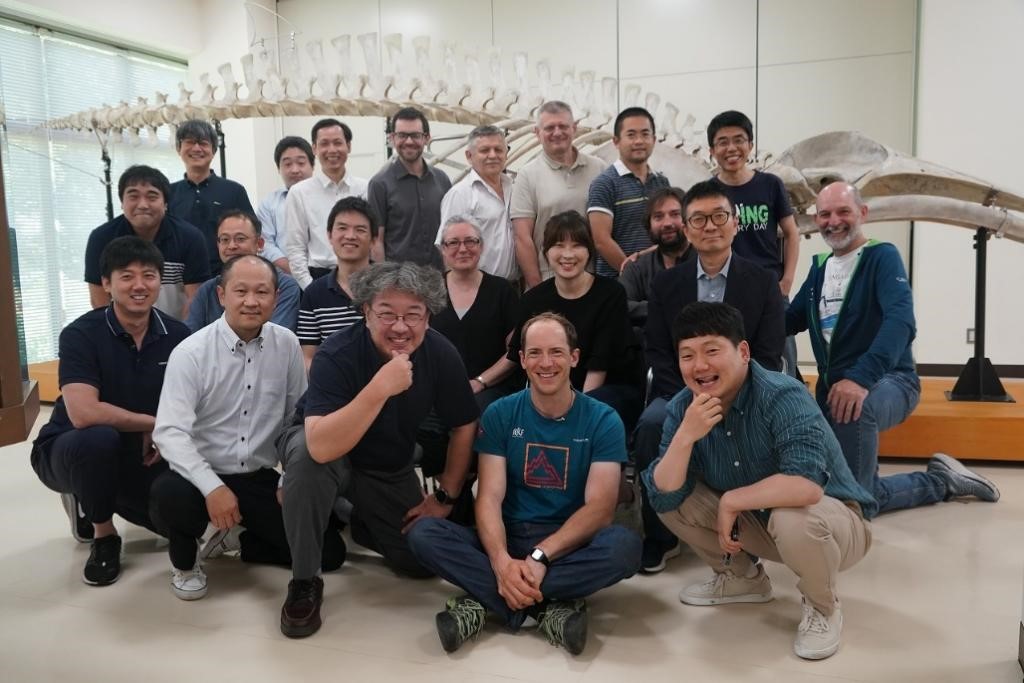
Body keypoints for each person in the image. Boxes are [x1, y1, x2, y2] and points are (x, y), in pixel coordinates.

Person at [643, 301, 875, 660]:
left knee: (792, 515)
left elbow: (806, 485)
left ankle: (823, 606)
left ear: (743, 352)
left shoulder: (783, 395)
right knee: (670, 491)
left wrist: (731, 501)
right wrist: (685, 437)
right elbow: (663, 494)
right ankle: (742, 580)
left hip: (833, 525)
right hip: (759, 526)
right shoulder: (683, 408)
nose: (699, 366)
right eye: (687, 355)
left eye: (712, 351)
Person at [407, 312, 641, 655]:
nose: (545, 363)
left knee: (624, 548)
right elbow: (489, 497)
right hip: (508, 534)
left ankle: (488, 601)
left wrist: (540, 557)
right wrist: (502, 562)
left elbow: (600, 510)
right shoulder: (500, 413)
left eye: (556, 352)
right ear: (522, 359)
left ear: (574, 357)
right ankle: (545, 608)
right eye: (535, 353)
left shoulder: (603, 419)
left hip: (568, 543)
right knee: (423, 534)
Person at [277, 262, 479, 638]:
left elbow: (464, 423)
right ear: (366, 312)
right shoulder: (337, 352)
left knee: (419, 561)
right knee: (306, 460)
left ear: (428, 318)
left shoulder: (440, 353)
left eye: (413, 315)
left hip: (385, 464)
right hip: (326, 453)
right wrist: (380, 387)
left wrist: (446, 497)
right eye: (387, 313)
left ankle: (350, 514)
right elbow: (319, 444)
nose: (400, 327)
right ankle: (304, 579)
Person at [787, 181, 999, 512]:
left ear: (862, 213)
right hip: (836, 390)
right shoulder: (819, 269)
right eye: (825, 214)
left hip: (890, 381)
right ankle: (883, 485)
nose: (833, 221)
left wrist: (860, 379)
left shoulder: (882, 257)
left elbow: (901, 322)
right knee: (844, 490)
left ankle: (940, 482)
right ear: (816, 220)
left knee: (856, 500)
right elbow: (788, 321)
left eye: (843, 211)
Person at [151, 255, 344, 600]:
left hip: (256, 476)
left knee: (329, 554)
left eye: (262, 292)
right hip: (200, 474)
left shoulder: (286, 344)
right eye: (241, 291)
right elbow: (169, 432)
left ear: (276, 298)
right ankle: (186, 563)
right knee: (170, 494)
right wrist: (213, 488)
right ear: (222, 295)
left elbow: (297, 418)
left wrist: (288, 479)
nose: (251, 301)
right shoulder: (191, 352)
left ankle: (237, 538)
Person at [636, 180, 785, 573]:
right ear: (686, 230)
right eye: (699, 219)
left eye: (719, 216)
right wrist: (690, 399)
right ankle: (660, 537)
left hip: (748, 394)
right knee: (652, 423)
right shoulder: (667, 284)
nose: (710, 226)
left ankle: (754, 529)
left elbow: (768, 353)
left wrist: (732, 398)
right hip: (682, 392)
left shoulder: (763, 282)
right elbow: (659, 351)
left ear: (735, 223)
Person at [31, 236, 189, 585]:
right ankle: (103, 534)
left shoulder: (178, 336)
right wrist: (154, 423)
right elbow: (84, 414)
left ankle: (93, 495)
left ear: (159, 282)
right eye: (126, 276)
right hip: (71, 446)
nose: (139, 285)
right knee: (98, 440)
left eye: (148, 275)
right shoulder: (81, 334)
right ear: (106, 283)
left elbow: (188, 405)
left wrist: (161, 432)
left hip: (140, 449)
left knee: (177, 519)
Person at [506, 211, 645, 433]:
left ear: (589, 251)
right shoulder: (533, 299)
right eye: (559, 245)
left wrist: (572, 412)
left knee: (585, 418)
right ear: (546, 251)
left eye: (577, 245)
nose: (568, 255)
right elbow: (520, 356)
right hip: (550, 387)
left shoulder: (611, 294)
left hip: (606, 388)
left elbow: (599, 365)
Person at [707, 110, 801, 376]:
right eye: (723, 142)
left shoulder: (771, 185)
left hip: (770, 287)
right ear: (712, 150)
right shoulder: (709, 191)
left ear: (750, 145)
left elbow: (791, 233)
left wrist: (787, 281)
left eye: (739, 140)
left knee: (782, 359)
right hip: (726, 288)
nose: (731, 148)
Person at [85, 165, 209, 319]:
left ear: (165, 204)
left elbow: (195, 300)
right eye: (133, 196)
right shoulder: (101, 238)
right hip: (120, 329)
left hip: (177, 328)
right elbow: (99, 300)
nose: (143, 205)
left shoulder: (190, 238)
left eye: (152, 197)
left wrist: (180, 332)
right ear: (122, 202)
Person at [510, 101, 607, 288]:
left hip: (594, 279)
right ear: (537, 132)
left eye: (563, 126)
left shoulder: (599, 168)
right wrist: (538, 289)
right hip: (548, 280)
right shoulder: (527, 175)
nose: (557, 133)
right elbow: (522, 238)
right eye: (549, 128)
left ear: (574, 128)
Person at [430, 214, 521, 412]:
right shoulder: (429, 291)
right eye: (453, 242)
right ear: (443, 249)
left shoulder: (502, 291)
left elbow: (514, 352)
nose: (463, 249)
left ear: (481, 246)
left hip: (491, 388)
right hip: (438, 387)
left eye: (470, 241)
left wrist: (480, 381)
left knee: (474, 411)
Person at [285, 118, 369, 288]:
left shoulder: (366, 188)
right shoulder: (299, 192)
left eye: (338, 143)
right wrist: (310, 288)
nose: (332, 150)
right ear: (314, 148)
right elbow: (295, 248)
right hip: (318, 277)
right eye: (324, 144)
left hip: (362, 278)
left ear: (349, 146)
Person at [185, 210, 300, 332]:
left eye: (240, 239)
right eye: (225, 239)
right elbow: (191, 336)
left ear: (259, 244)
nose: (232, 246)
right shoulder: (207, 290)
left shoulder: (284, 285)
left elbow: (276, 336)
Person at [587, 107, 669, 277]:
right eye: (631, 135)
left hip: (659, 279)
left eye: (645, 134)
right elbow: (601, 240)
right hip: (617, 283)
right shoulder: (604, 184)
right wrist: (633, 275)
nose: (639, 141)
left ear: (654, 140)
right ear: (616, 141)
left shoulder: (662, 183)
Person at [296, 196, 376, 371]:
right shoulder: (314, 293)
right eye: (342, 228)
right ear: (330, 236)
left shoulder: (390, 287)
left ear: (374, 240)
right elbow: (308, 356)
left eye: (360, 229)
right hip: (331, 384)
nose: (350, 236)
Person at [167, 119, 255, 275]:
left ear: (213, 150)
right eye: (190, 142)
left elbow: (251, 232)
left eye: (203, 143)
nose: (196, 148)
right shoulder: (168, 193)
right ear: (178, 149)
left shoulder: (234, 190)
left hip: (226, 275)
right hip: (180, 277)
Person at [368, 107, 452, 268]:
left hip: (439, 275)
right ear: (392, 138)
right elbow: (376, 241)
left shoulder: (442, 180)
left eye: (415, 135)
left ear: (426, 138)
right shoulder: (379, 184)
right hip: (399, 278)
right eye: (402, 135)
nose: (408, 141)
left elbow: (451, 232)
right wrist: (384, 278)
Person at [436, 125, 518, 281]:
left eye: (498, 150)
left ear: (506, 153)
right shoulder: (461, 194)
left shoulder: (514, 188)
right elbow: (447, 247)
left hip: (513, 287)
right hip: (477, 287)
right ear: (469, 155)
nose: (492, 155)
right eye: (485, 150)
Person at [620, 186, 692, 326]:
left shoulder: (706, 261)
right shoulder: (637, 268)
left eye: (675, 214)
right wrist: (666, 307)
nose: (667, 223)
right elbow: (621, 304)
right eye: (658, 217)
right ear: (649, 224)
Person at [255, 136, 315, 272]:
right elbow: (266, 244)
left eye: (301, 163)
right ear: (279, 169)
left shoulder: (325, 197)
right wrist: (295, 271)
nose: (295, 170)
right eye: (287, 164)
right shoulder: (268, 204)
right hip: (285, 276)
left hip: (324, 273)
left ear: (312, 165)